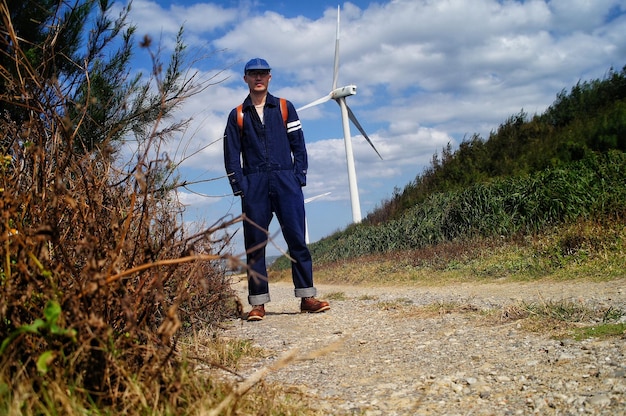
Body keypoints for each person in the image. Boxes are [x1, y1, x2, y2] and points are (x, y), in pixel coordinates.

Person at [223, 58, 330, 321]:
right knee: (255, 245)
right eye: (253, 74)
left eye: (263, 73)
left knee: (297, 240)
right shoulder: (237, 114)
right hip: (254, 184)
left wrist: (298, 177)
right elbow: (231, 155)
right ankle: (258, 304)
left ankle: (307, 297)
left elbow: (299, 145)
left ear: (270, 77)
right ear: (245, 78)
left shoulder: (284, 107)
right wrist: (241, 187)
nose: (258, 78)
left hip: (286, 181)